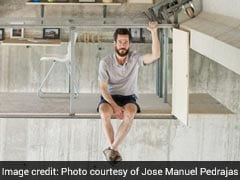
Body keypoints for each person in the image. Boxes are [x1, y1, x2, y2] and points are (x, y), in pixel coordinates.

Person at [97, 21, 160, 162]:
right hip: (110, 97)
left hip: (128, 96)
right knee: (104, 113)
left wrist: (154, 32)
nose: (123, 45)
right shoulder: (105, 62)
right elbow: (103, 88)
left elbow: (155, 55)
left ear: (129, 44)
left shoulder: (135, 58)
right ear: (114, 43)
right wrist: (114, 106)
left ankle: (112, 149)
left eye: (125, 42)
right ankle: (113, 150)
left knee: (130, 113)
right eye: (120, 42)